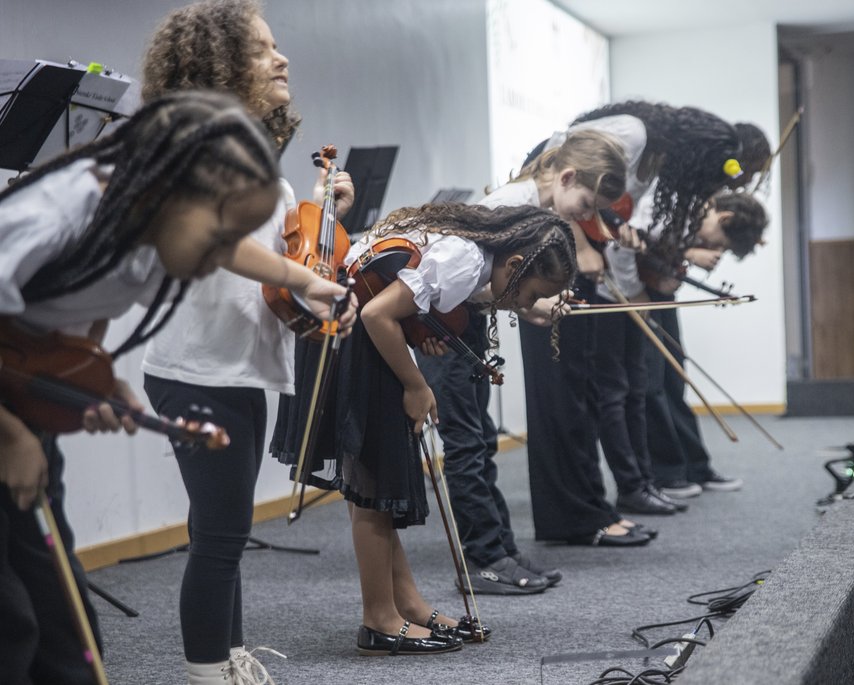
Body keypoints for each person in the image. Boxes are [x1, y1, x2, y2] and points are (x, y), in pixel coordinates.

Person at [0, 90, 293, 685]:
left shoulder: (150, 240)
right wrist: (10, 436)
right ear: (173, 191)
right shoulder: (55, 218)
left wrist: (96, 382)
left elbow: (78, 323)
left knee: (67, 631)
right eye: (220, 237)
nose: (221, 260)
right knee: (14, 626)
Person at [138, 3, 356, 682]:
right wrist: (306, 280)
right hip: (196, 367)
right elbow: (219, 243)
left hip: (235, 366)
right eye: (263, 49)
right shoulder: (197, 146)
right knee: (223, 537)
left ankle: (226, 659)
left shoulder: (251, 154)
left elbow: (287, 270)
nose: (282, 58)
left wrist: (326, 241)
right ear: (218, 64)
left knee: (219, 531)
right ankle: (208, 672)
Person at [273, 202, 577, 654]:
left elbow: (400, 295)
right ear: (514, 264)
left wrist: (418, 326)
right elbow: (378, 315)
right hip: (355, 338)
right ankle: (378, 619)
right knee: (374, 488)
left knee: (370, 486)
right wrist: (416, 385)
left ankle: (407, 604)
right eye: (530, 294)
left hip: (350, 333)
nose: (525, 305)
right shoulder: (466, 259)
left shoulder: (472, 258)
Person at [415, 129, 627, 594]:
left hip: (462, 322)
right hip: (443, 327)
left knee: (481, 439)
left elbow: (492, 286)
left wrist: (533, 306)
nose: (588, 217)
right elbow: (458, 275)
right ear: (567, 176)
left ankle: (503, 550)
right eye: (587, 204)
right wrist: (528, 305)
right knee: (467, 443)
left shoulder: (537, 209)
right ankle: (485, 558)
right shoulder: (514, 204)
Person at [524, 101, 746, 540]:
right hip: (549, 245)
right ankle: (573, 518)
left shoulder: (651, 155)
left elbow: (610, 224)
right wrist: (580, 244)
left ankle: (593, 509)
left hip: (576, 254)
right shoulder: (631, 134)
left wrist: (614, 261)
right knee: (565, 394)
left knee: (585, 390)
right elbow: (551, 171)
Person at [644, 191, 770, 497]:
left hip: (660, 295)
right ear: (724, 218)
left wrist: (680, 260)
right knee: (651, 386)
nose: (713, 249)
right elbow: (635, 237)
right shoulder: (673, 203)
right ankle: (667, 474)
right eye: (719, 244)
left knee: (674, 381)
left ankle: (695, 468)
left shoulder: (693, 213)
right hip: (640, 296)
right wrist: (687, 253)